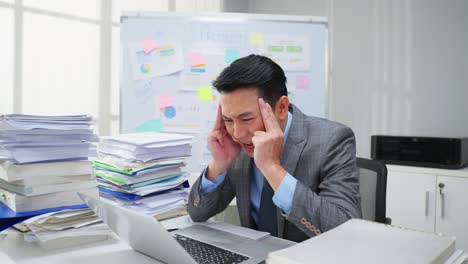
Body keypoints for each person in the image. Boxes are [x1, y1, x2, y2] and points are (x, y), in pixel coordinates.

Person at [187, 54, 361, 242]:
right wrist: (218, 164)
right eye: (228, 120)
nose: (237, 133)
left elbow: (344, 231)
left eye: (246, 119)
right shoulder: (237, 145)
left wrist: (272, 169)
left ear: (282, 108)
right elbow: (197, 213)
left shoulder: (332, 140)